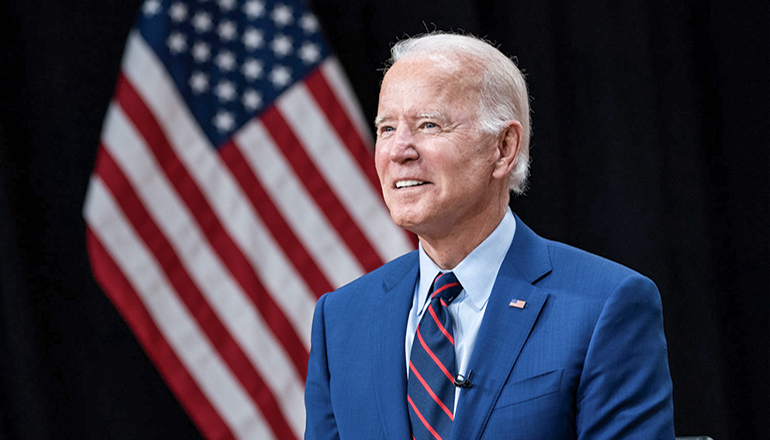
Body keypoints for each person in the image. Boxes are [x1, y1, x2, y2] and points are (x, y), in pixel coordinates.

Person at [304, 32, 675, 440]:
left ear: (503, 147)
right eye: (387, 127)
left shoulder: (607, 305)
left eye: (429, 124)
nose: (398, 151)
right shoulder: (340, 320)